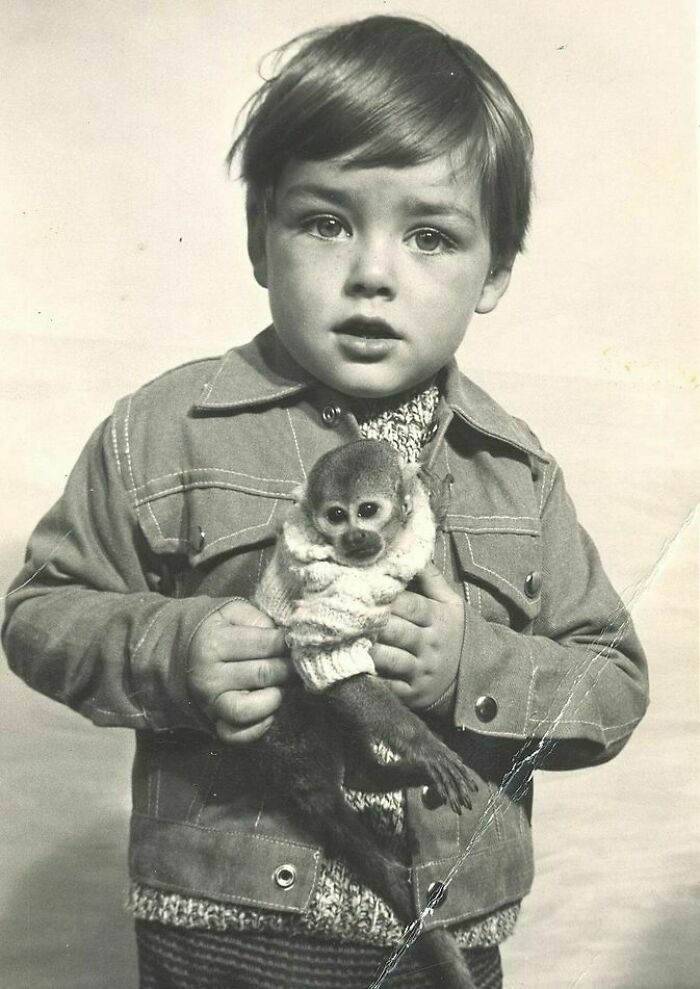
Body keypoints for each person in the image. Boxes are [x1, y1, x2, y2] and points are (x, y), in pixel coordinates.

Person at [2, 15, 649, 989]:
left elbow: (612, 683)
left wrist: (469, 661)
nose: (373, 273)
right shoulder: (169, 428)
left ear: (496, 272)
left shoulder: (516, 469)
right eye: (323, 220)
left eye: (430, 234)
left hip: (441, 933)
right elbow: (41, 612)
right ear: (261, 237)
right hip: (222, 921)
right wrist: (171, 646)